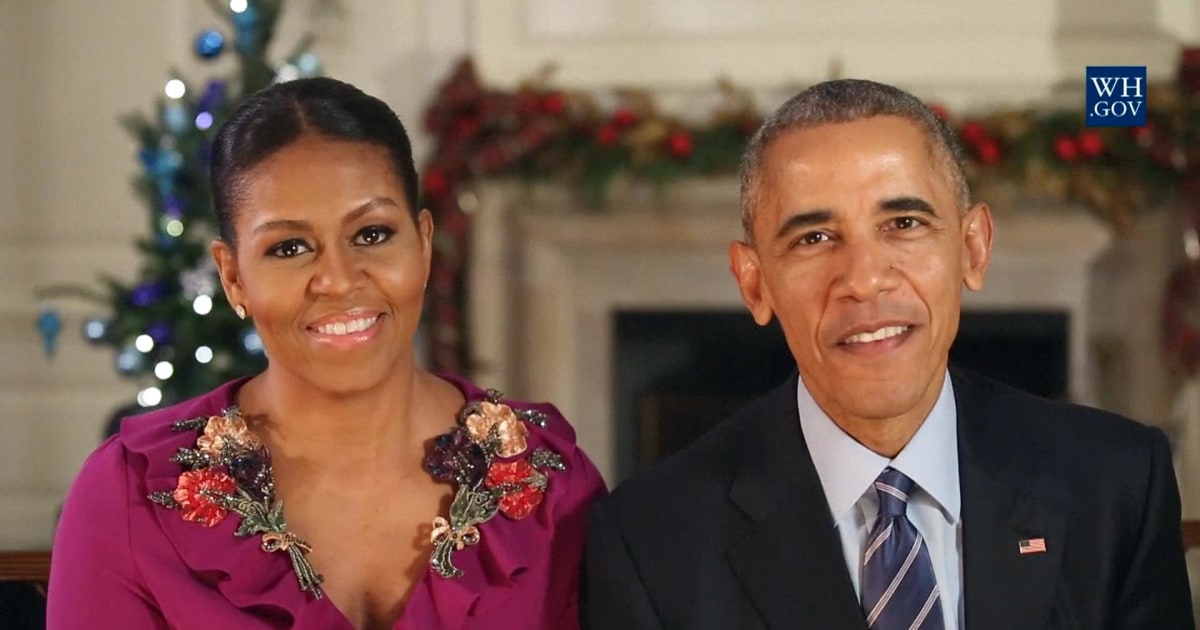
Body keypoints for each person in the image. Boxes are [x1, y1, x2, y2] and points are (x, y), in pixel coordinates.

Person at [582, 79, 1194, 629]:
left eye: (903, 223)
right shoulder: (650, 541)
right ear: (754, 283)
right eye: (814, 238)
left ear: (973, 248)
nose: (865, 279)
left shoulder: (1115, 483)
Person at [48, 77, 605, 630]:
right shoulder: (128, 497)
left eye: (372, 234)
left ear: (425, 242)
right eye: (289, 247)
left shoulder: (548, 483)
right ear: (234, 276)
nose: (338, 281)